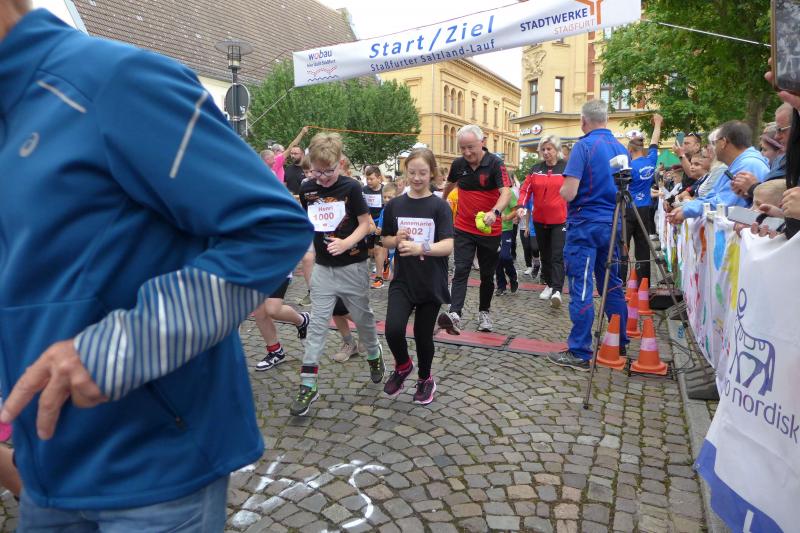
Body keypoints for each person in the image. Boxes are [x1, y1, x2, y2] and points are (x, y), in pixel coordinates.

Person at [0, 3, 313, 528]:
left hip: (154, 466)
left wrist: (121, 349)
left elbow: (272, 228)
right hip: (44, 471)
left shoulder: (114, 80)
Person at [294, 132, 384, 416]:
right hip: (323, 269)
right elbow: (308, 222)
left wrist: (346, 243)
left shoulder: (351, 188)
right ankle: (308, 385)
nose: (322, 178)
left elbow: (365, 224)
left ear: (340, 163)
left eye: (328, 171)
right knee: (318, 326)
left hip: (353, 267)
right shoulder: (307, 189)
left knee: (363, 319)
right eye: (317, 171)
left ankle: (374, 353)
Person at [547, 100, 629, 371]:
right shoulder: (621, 148)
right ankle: (618, 341)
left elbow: (569, 192)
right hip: (612, 222)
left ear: (584, 120)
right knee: (611, 281)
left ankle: (580, 350)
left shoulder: (583, 147)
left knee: (581, 285)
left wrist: (561, 191)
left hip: (585, 224)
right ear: (606, 119)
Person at [380, 149, 454, 405]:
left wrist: (421, 248)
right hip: (403, 279)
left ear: (432, 173)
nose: (417, 178)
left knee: (423, 336)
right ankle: (403, 366)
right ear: (405, 172)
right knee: (393, 330)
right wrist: (396, 239)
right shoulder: (395, 205)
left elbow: (448, 245)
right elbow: (385, 239)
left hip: (430, 280)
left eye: (423, 173)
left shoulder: (440, 206)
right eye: (412, 172)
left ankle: (425, 379)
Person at [438, 125, 512, 334]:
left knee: (487, 275)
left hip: (490, 229)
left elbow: (506, 193)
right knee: (461, 268)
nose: (467, 152)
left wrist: (495, 212)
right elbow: (449, 185)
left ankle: (484, 312)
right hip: (464, 227)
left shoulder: (495, 163)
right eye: (462, 148)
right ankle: (455, 314)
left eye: (470, 147)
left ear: (483, 142)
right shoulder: (458, 164)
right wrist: (442, 203)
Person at [667, 121, 770, 224]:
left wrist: (686, 211)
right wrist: (685, 208)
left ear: (723, 142)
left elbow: (724, 204)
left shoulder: (748, 165)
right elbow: (712, 196)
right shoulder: (738, 165)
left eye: (714, 143)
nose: (712, 148)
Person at [519, 134, 569, 306]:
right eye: (543, 149)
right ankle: (549, 284)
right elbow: (525, 189)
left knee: (557, 255)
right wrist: (521, 205)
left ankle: (557, 290)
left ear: (557, 150)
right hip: (540, 220)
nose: (546, 152)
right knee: (545, 255)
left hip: (560, 220)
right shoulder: (535, 169)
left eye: (549, 149)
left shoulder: (566, 168)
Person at [621, 114, 663, 283]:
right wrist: (658, 123)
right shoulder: (651, 160)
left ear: (630, 150)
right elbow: (654, 141)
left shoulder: (628, 166)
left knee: (623, 246)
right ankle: (643, 282)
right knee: (643, 248)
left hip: (629, 209)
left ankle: (620, 281)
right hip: (645, 209)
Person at [252, 275, 310, 371]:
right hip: (255, 271)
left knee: (272, 310)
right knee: (259, 311)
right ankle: (275, 351)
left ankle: (302, 320)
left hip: (278, 269)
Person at [363, 165, 388, 288]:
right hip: (368, 223)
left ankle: (379, 278)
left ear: (379, 178)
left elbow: (387, 208)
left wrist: (382, 225)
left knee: (379, 249)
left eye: (371, 179)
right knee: (370, 251)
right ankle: (383, 264)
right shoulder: (364, 190)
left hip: (381, 223)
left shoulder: (384, 190)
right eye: (367, 179)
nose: (369, 181)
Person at [495, 190, 519, 296]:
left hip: (506, 230)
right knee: (496, 258)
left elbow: (515, 210)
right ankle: (501, 286)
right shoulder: (490, 191)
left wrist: (507, 217)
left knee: (505, 256)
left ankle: (513, 276)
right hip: (493, 230)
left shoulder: (509, 192)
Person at [284, 128, 310, 195]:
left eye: (295, 154)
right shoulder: (287, 169)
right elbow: (284, 186)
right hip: (291, 199)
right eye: (291, 153)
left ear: (303, 154)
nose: (292, 156)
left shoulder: (309, 169)